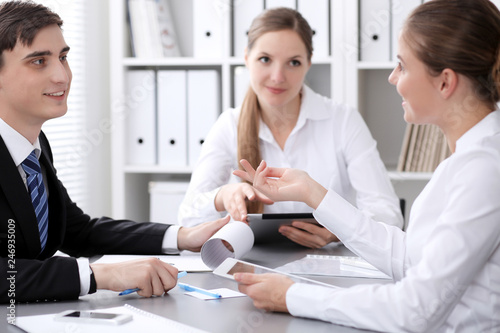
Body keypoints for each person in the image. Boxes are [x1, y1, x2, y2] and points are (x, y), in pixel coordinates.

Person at [233, 0, 500, 331]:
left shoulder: (485, 170)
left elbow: (414, 311)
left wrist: (294, 297)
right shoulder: (470, 160)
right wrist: (313, 193)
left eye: (402, 66)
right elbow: (411, 259)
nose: (392, 78)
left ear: (445, 82)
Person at [0, 0, 229, 304]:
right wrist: (101, 276)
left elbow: (79, 232)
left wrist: (182, 237)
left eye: (63, 57)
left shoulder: (34, 148)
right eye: (39, 61)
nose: (62, 76)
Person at [178, 7, 403, 248]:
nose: (277, 76)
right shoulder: (229, 125)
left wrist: (338, 232)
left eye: (293, 63)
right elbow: (187, 221)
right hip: (253, 264)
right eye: (265, 59)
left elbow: (387, 214)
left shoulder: (343, 120)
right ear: (246, 58)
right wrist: (221, 197)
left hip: (330, 265)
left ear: (308, 64)